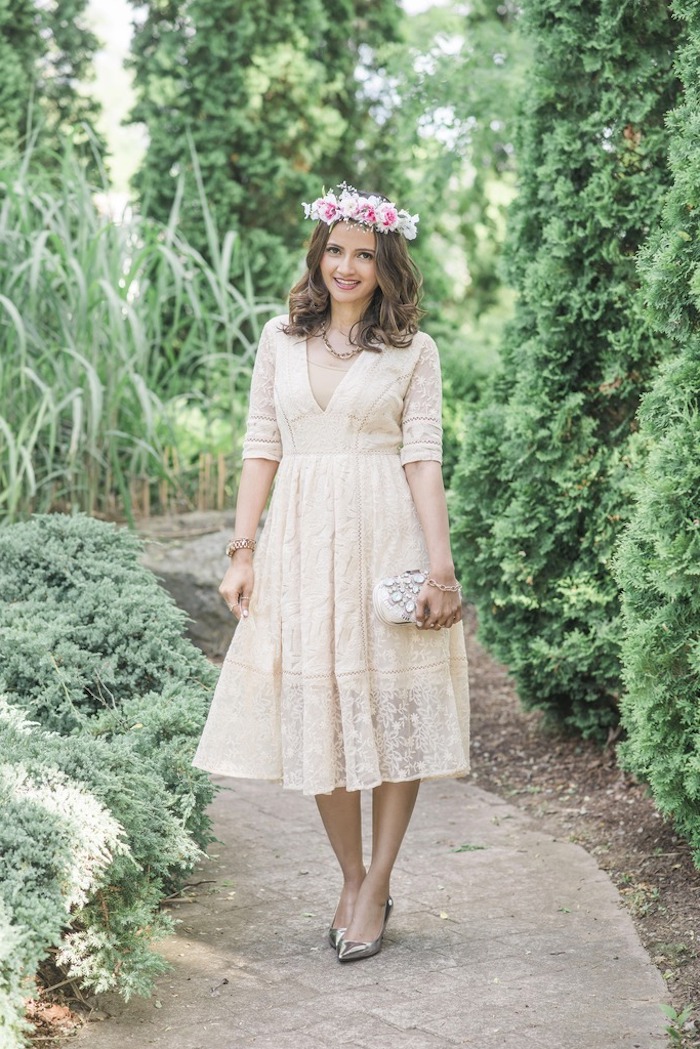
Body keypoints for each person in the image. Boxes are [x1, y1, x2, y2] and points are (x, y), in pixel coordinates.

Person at [192, 183, 470, 963]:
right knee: (321, 709)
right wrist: (242, 551)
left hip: (386, 535)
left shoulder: (414, 351)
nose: (347, 266)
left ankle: (379, 880)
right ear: (319, 255)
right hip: (300, 546)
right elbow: (260, 446)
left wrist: (439, 566)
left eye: (365, 255)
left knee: (392, 708)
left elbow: (423, 459)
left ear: (387, 267)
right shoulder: (278, 337)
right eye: (336, 250)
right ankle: (350, 876)